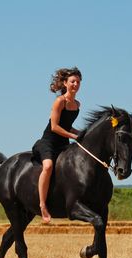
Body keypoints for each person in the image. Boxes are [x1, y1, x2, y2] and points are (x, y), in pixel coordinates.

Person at [32, 67, 83, 223]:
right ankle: (42, 205)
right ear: (65, 83)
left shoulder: (77, 104)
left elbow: (67, 125)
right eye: (73, 81)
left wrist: (81, 134)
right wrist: (73, 136)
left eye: (78, 82)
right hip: (48, 142)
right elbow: (54, 127)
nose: (76, 84)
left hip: (63, 143)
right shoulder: (59, 101)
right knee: (47, 166)